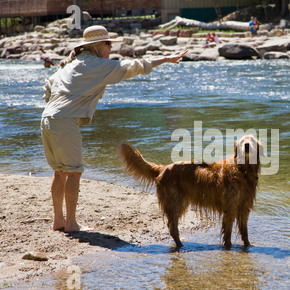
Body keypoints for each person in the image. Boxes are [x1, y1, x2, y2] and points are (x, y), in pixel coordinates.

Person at [41, 25, 187, 232]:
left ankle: (59, 221)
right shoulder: (96, 64)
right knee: (73, 172)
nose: (110, 48)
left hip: (47, 118)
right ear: (96, 46)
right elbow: (131, 67)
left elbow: (47, 86)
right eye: (108, 44)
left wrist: (54, 106)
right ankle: (72, 224)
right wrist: (164, 60)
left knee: (59, 172)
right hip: (64, 120)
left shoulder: (70, 66)